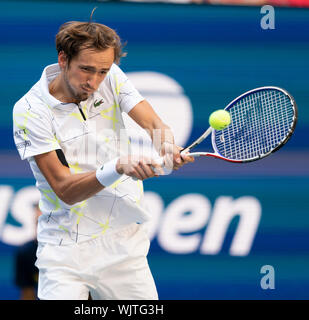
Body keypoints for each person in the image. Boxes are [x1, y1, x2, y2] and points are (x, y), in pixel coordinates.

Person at [12, 18, 194, 300]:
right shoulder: (30, 111)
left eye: (102, 72)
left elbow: (155, 126)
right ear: (63, 59)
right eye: (85, 69)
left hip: (123, 247)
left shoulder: (112, 77)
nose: (94, 82)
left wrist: (167, 147)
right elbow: (65, 189)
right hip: (64, 250)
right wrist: (118, 167)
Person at [14, 204, 41, 300]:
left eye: (46, 222)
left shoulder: (75, 251)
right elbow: (27, 293)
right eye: (38, 222)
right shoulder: (26, 252)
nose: (41, 228)